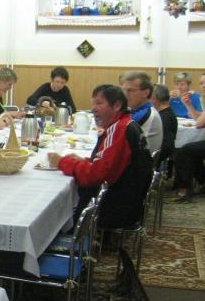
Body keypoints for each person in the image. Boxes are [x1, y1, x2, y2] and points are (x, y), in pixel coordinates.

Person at [47, 84, 152, 229]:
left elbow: (95, 176)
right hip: (130, 201)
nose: (93, 108)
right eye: (93, 104)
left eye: (99, 103)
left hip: (116, 208)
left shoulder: (119, 129)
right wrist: (87, 161)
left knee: (52, 203)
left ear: (117, 105)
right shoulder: (127, 123)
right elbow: (110, 165)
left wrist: (62, 162)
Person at [169, 72, 205, 202]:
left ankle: (183, 191)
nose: (204, 86)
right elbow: (200, 119)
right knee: (191, 149)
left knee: (184, 151)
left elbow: (199, 123)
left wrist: (202, 121)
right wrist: (188, 105)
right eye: (201, 83)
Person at [119, 71, 163, 155]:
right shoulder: (140, 109)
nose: (125, 94)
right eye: (123, 90)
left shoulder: (145, 114)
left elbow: (115, 132)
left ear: (146, 93)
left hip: (137, 161)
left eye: (130, 90)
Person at [151, 84, 177, 167]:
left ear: (153, 99)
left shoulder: (161, 118)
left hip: (157, 154)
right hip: (164, 150)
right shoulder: (169, 113)